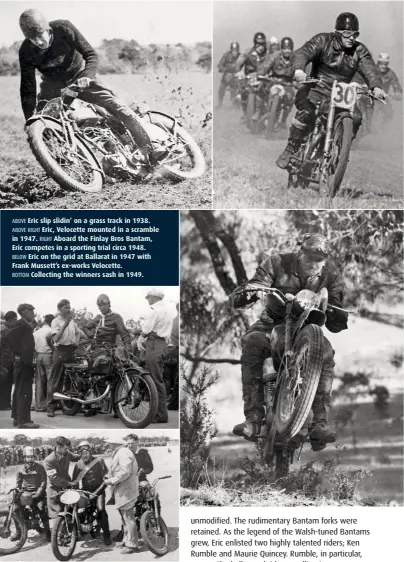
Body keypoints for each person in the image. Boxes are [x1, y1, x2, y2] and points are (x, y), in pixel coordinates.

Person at [231, 234, 348, 451]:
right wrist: (254, 290)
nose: (313, 263)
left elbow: (336, 322)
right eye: (309, 257)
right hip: (271, 323)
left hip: (306, 329)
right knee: (252, 342)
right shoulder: (277, 262)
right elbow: (253, 286)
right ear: (300, 253)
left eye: (318, 260)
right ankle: (254, 418)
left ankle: (318, 426)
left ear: (325, 261)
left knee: (327, 354)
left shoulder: (331, 275)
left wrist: (334, 311)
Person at [18, 9, 152, 163]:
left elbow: (91, 55)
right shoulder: (25, 51)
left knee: (116, 106)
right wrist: (30, 119)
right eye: (32, 39)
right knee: (41, 123)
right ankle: (60, 164)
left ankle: (149, 147)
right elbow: (27, 87)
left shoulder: (64, 28)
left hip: (80, 75)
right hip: (52, 84)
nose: (39, 42)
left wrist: (87, 77)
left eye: (40, 35)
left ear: (48, 29)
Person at [276, 12, 386, 169]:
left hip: (340, 95)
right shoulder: (323, 40)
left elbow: (369, 68)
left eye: (355, 34)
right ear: (337, 32)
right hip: (316, 89)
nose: (351, 38)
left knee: (355, 117)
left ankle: (339, 148)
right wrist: (299, 70)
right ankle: (291, 148)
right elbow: (303, 53)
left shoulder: (359, 50)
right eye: (347, 33)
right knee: (306, 112)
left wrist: (376, 87)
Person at [137, 289, 177, 423]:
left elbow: (146, 329)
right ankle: (160, 413)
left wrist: (140, 338)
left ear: (154, 298)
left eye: (148, 297)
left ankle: (160, 415)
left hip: (154, 343)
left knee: (155, 380)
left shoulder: (155, 310)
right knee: (158, 379)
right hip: (161, 344)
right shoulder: (167, 311)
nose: (148, 300)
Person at [3, 304, 39, 429]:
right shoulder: (22, 324)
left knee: (19, 390)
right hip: (24, 362)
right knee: (24, 390)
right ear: (24, 312)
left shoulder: (23, 324)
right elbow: (8, 336)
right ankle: (23, 420)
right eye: (31, 310)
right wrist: (18, 353)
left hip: (23, 361)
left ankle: (17, 417)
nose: (33, 313)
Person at [104, 435, 139, 555]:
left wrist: (112, 480)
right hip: (123, 489)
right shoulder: (120, 452)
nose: (108, 445)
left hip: (127, 489)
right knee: (125, 517)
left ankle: (133, 545)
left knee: (128, 517)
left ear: (115, 443)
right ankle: (127, 539)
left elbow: (125, 472)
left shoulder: (123, 452)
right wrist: (109, 476)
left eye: (109, 443)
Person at [72, 441, 111, 546]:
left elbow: (106, 479)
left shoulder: (99, 461)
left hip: (99, 491)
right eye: (82, 453)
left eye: (86, 452)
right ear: (79, 453)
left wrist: (96, 492)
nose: (85, 455)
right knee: (73, 508)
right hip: (85, 491)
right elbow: (75, 481)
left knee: (101, 509)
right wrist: (75, 491)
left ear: (90, 451)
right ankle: (73, 534)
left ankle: (107, 536)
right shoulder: (78, 464)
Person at [47, 299, 82, 417]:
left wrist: (77, 341)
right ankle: (50, 407)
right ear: (60, 309)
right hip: (60, 351)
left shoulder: (72, 322)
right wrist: (65, 324)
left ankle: (67, 405)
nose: (69, 309)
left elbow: (78, 332)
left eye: (69, 307)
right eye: (66, 307)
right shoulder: (55, 321)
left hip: (71, 351)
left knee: (72, 379)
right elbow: (56, 339)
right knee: (56, 379)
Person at [257, 36, 296, 129]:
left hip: (287, 84)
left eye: (289, 49)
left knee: (290, 99)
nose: (287, 51)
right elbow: (266, 66)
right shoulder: (275, 56)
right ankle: (259, 111)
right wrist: (261, 74)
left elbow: (300, 71)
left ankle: (283, 121)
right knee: (262, 93)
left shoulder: (296, 58)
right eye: (285, 48)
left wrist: (301, 81)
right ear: (281, 48)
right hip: (273, 81)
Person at [16, 446, 51, 542]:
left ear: (34, 457)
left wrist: (38, 493)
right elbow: (18, 482)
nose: (29, 459)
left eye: (31, 457)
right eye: (27, 457)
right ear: (24, 457)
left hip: (38, 493)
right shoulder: (20, 468)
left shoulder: (40, 467)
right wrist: (17, 491)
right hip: (25, 493)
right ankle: (19, 532)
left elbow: (44, 481)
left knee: (41, 508)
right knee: (15, 508)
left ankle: (48, 533)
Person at [44, 435, 80, 518]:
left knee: (73, 509)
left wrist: (86, 454)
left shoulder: (66, 453)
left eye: (67, 448)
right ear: (58, 447)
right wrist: (69, 483)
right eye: (65, 448)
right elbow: (53, 478)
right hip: (55, 488)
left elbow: (75, 457)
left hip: (67, 486)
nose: (67, 450)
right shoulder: (49, 460)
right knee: (58, 514)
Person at [235, 32, 267, 116]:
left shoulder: (268, 54)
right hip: (249, 78)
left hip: (263, 78)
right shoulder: (248, 52)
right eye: (258, 44)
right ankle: (245, 113)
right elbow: (238, 63)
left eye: (262, 44)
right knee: (243, 92)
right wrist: (239, 72)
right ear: (255, 43)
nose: (261, 47)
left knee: (269, 93)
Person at [33, 314, 55, 412]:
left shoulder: (36, 332)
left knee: (39, 381)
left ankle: (38, 405)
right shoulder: (51, 331)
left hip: (38, 355)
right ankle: (48, 403)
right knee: (50, 380)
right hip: (48, 355)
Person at [376, 52, 402, 123]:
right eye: (381, 64)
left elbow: (396, 84)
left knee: (389, 114)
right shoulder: (371, 70)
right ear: (378, 63)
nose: (383, 66)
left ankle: (383, 130)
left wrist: (397, 92)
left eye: (386, 64)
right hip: (369, 97)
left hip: (382, 97)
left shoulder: (390, 73)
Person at [0, 312, 18, 410]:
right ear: (11, 320)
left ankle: (4, 403)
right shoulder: (7, 331)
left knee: (6, 382)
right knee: (6, 382)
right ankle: (4, 404)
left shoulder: (5, 330)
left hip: (6, 359)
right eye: (15, 319)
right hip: (6, 360)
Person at [217, 41, 241, 108]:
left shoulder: (241, 56)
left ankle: (236, 102)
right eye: (233, 50)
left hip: (237, 75)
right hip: (227, 74)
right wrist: (225, 69)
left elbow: (244, 65)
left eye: (236, 50)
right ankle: (220, 102)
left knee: (240, 88)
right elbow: (220, 65)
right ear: (231, 50)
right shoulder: (226, 55)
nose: (234, 52)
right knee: (222, 87)